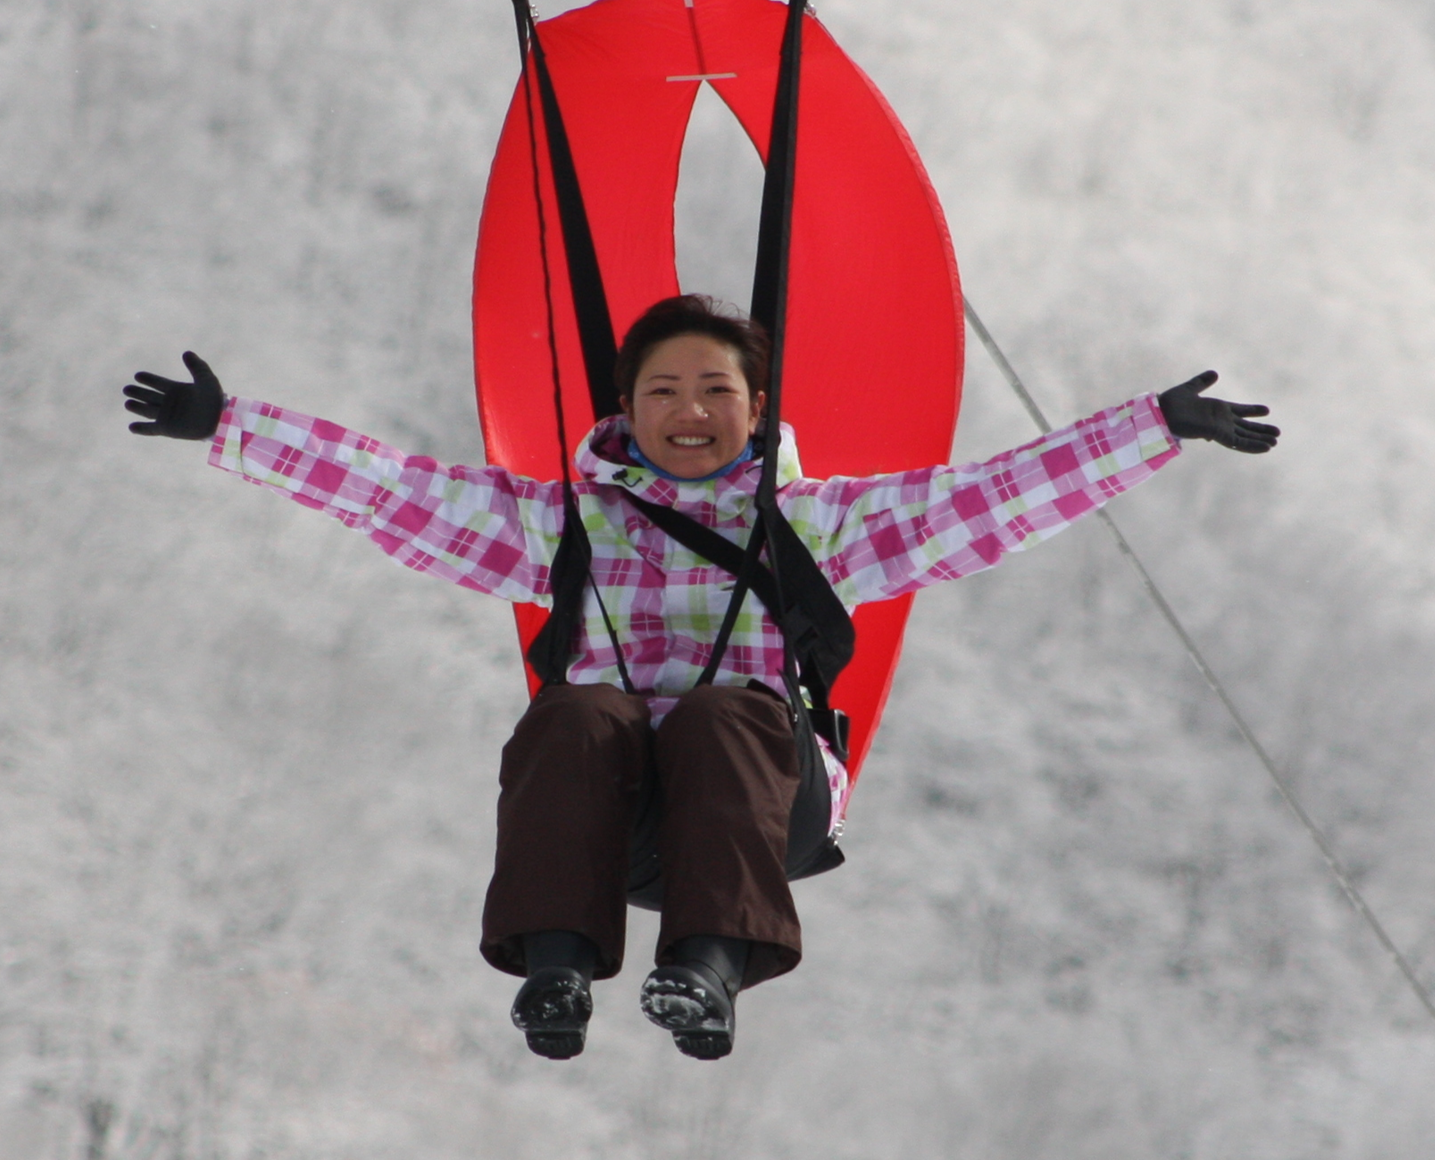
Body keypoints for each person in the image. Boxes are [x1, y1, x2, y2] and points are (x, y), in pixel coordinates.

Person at [123, 294, 1277, 1060]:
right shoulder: (562, 525)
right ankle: (558, 965)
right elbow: (392, 490)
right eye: (663, 391)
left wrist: (1153, 428)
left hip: (763, 804)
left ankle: (710, 967)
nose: (689, 413)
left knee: (726, 711)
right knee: (572, 710)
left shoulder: (813, 529)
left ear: (758, 410)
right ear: (623, 409)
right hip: (621, 818)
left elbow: (986, 501)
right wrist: (232, 428)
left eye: (715, 391)